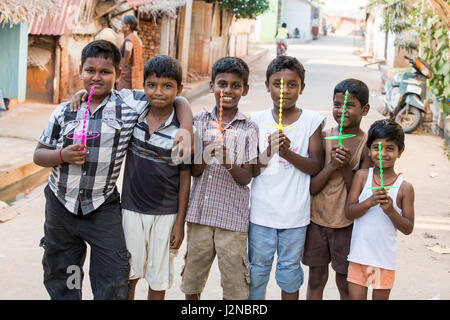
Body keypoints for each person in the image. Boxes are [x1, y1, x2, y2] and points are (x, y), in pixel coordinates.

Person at [34, 40, 192, 300]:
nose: (96, 77)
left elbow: (176, 96)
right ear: (80, 72)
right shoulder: (65, 111)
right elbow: (39, 154)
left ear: (118, 76)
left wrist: (185, 125)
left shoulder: (129, 105)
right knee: (63, 269)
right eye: (90, 70)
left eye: (105, 72)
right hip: (61, 204)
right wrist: (61, 155)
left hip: (101, 205)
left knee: (114, 273)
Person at [180, 57, 259, 300]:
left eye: (235, 85)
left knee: (234, 286)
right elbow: (192, 171)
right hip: (200, 217)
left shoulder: (249, 128)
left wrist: (228, 162)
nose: (227, 91)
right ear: (211, 86)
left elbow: (246, 177)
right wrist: (206, 154)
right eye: (222, 84)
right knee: (192, 282)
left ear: (244, 90)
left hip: (233, 222)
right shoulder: (198, 122)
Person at [248, 55, 325, 300]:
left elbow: (315, 166)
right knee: (257, 272)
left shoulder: (312, 121)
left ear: (302, 88)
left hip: (294, 218)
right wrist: (270, 152)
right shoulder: (256, 120)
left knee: (290, 273)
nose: (284, 90)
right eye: (277, 84)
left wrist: (287, 153)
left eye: (292, 84)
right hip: (261, 215)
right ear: (267, 86)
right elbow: (251, 170)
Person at [122, 55, 191, 300]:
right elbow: (106, 93)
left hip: (165, 214)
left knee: (158, 278)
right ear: (144, 86)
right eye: (152, 85)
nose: (158, 92)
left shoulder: (181, 132)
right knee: (128, 274)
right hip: (131, 209)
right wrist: (79, 94)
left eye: (167, 86)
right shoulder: (135, 116)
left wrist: (179, 222)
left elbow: (185, 180)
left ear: (179, 89)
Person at [302, 79, 372, 300]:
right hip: (317, 220)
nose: (342, 111)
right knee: (315, 279)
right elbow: (312, 187)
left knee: (344, 281)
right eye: (337, 104)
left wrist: (343, 168)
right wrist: (332, 165)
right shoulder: (323, 137)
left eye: (349, 105)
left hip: (347, 225)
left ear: (365, 109)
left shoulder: (366, 145)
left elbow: (360, 194)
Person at [345, 119, 415, 300]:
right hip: (359, 257)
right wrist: (369, 202)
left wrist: (391, 210)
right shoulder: (362, 177)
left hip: (383, 261)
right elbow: (349, 212)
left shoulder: (404, 188)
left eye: (390, 148)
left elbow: (408, 228)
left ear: (400, 151)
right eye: (376, 148)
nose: (382, 153)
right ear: (368, 149)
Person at [117, 15, 144, 90]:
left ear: (128, 26)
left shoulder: (129, 39)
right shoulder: (135, 38)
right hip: (133, 73)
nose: (121, 26)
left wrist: (125, 63)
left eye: (122, 24)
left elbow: (128, 49)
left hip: (126, 75)